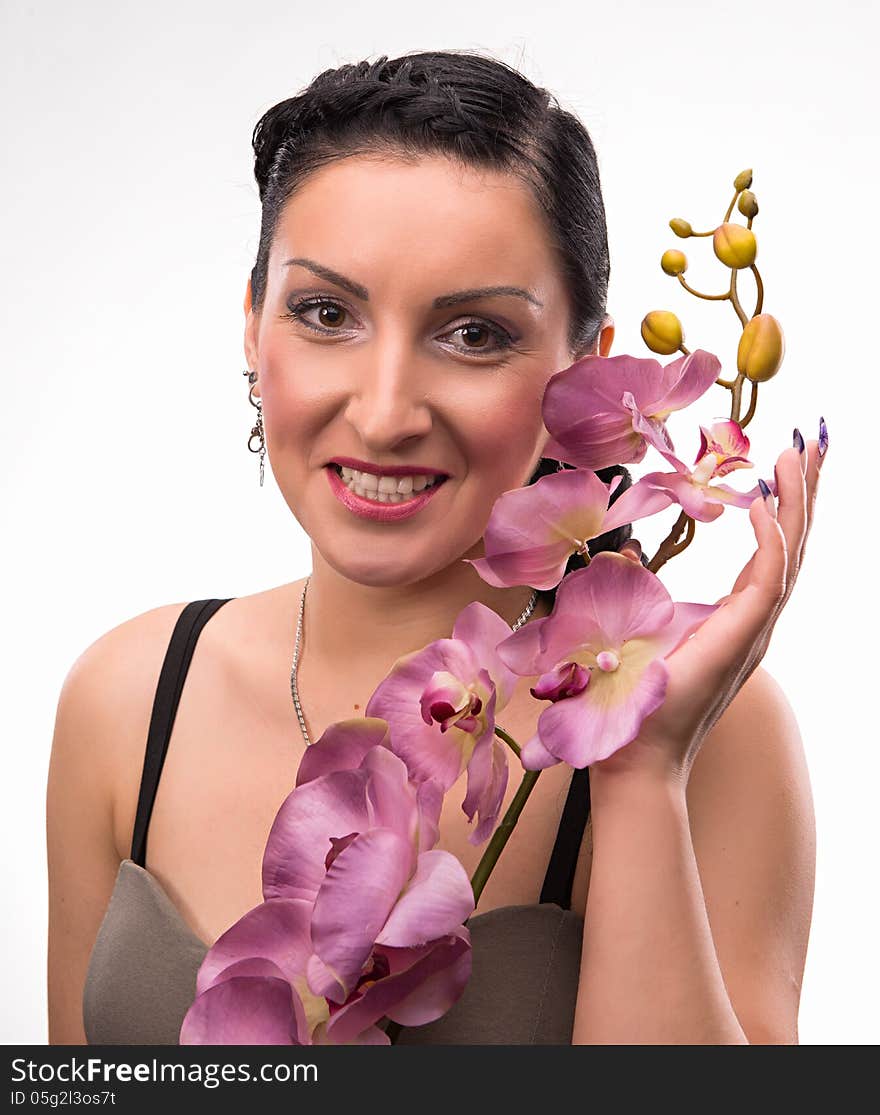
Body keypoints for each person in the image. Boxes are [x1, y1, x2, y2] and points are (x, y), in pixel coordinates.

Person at [46, 49, 821, 1046]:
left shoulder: (707, 726)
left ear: (583, 371)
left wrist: (632, 777)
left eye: (474, 333)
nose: (381, 413)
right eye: (326, 313)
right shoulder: (123, 699)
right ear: (251, 325)